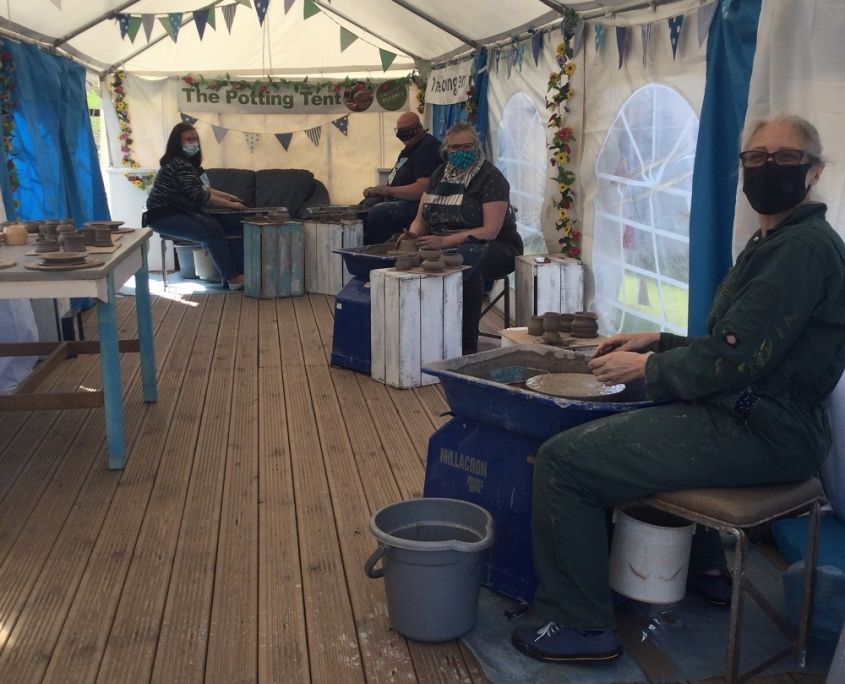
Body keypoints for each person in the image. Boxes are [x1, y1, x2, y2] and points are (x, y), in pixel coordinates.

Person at [511, 114, 845, 664]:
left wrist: (648, 369)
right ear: (742, 169)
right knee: (658, 410)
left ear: (814, 172)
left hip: (764, 428)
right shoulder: (777, 240)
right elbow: (744, 343)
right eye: (757, 158)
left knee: (565, 462)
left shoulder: (801, 250)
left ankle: (582, 623)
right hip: (759, 414)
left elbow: (734, 360)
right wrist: (658, 340)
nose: (769, 168)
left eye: (787, 159)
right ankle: (708, 570)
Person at [404, 122, 523, 355]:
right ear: (446, 149)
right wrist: (413, 235)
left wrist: (444, 242)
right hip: (444, 242)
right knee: (409, 256)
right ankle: (424, 335)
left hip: (496, 246)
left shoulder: (491, 178)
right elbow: (421, 218)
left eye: (467, 147)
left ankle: (465, 344)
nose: (460, 153)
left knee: (464, 262)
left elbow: (489, 231)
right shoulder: (440, 174)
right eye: (455, 148)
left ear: (477, 148)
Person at [145, 123, 247, 289]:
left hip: (177, 211)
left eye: (195, 139)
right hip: (163, 216)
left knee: (230, 224)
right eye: (188, 139)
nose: (193, 143)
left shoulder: (188, 164)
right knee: (212, 231)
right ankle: (233, 278)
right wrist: (232, 205)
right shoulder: (179, 164)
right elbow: (200, 196)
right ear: (177, 143)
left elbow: (202, 188)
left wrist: (228, 197)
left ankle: (236, 273)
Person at [361, 112, 442, 245]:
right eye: (399, 130)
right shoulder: (409, 149)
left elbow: (423, 188)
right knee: (363, 208)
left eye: (405, 131)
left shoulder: (428, 147)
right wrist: (376, 191)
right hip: (400, 200)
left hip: (420, 206)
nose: (400, 134)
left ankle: (385, 254)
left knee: (378, 213)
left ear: (417, 128)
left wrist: (388, 191)